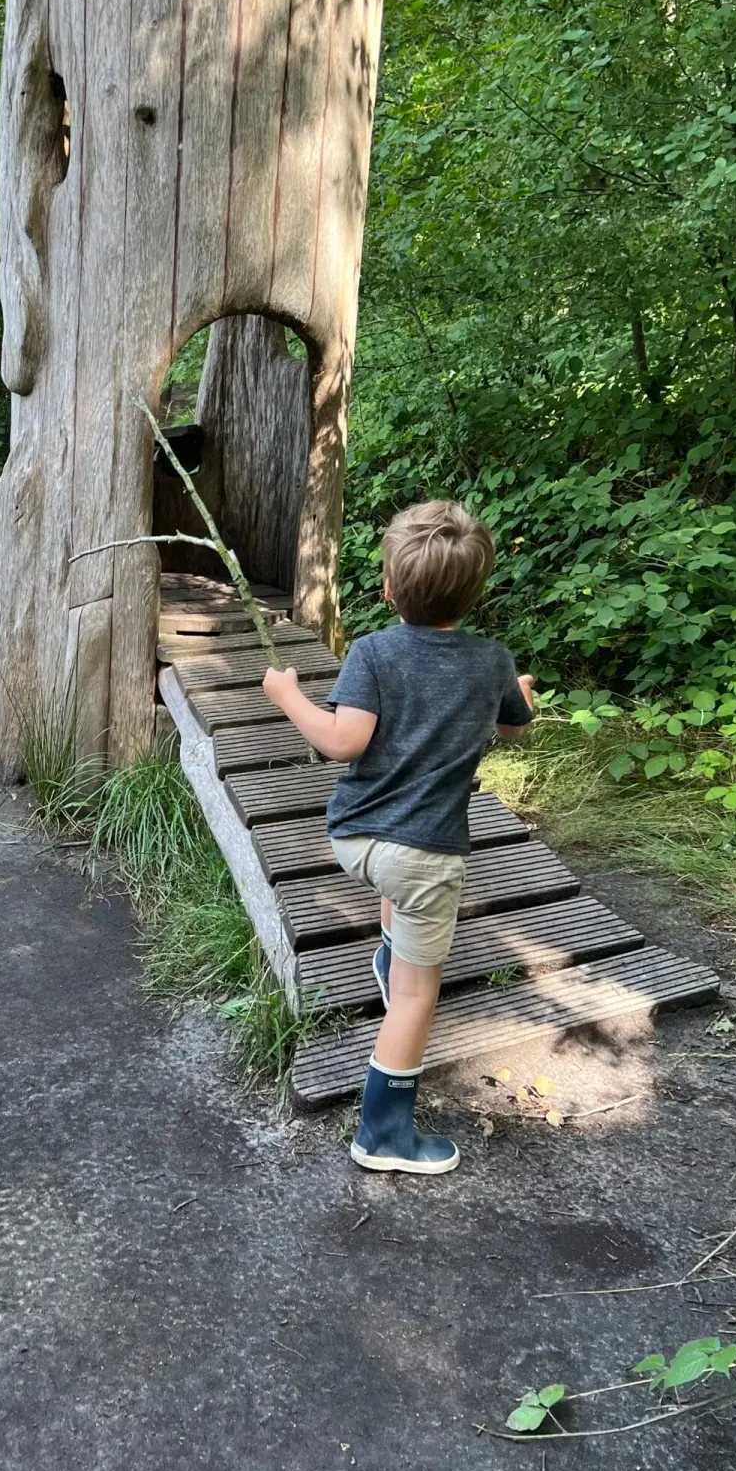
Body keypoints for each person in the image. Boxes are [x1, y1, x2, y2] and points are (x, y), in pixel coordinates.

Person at [264, 501, 533, 1174]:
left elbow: (342, 741)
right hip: (424, 857)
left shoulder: (373, 652)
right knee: (419, 997)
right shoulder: (492, 661)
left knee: (400, 891)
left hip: (355, 839)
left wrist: (288, 695)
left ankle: (390, 960)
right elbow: (513, 726)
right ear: (477, 592)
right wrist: (521, 694)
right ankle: (383, 1133)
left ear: (388, 588)